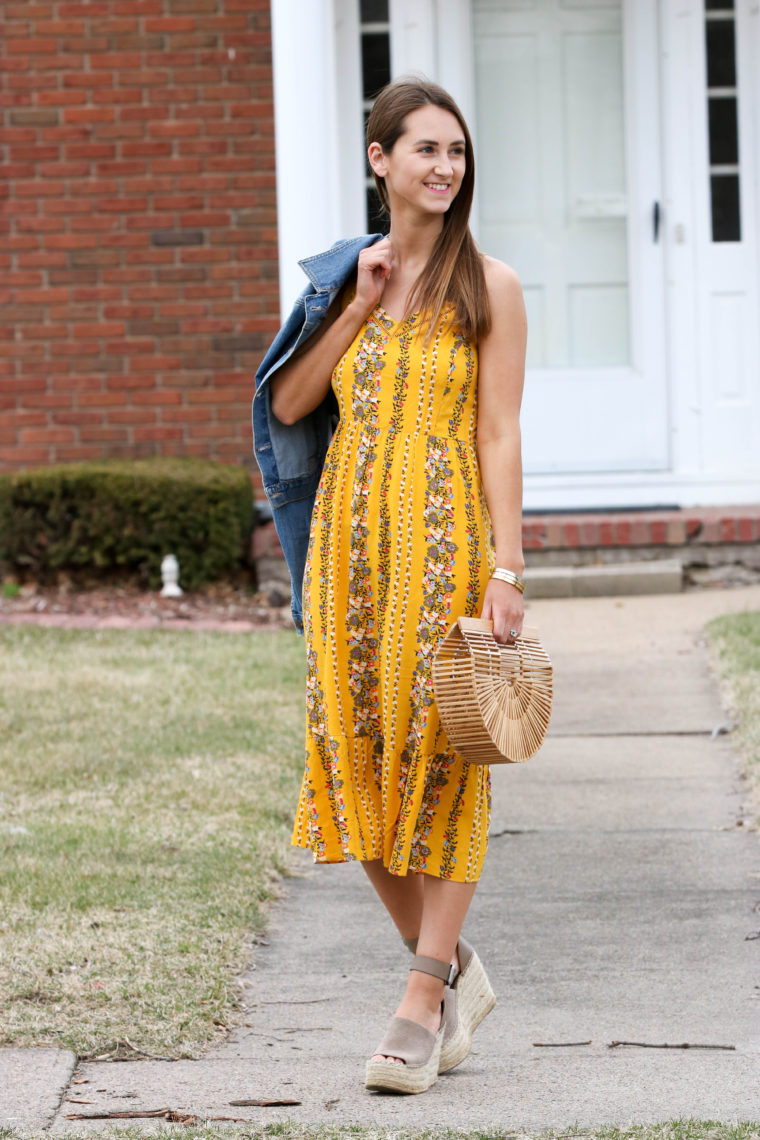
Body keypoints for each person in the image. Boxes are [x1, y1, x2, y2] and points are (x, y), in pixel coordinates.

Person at [253, 77, 527, 1095]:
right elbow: (287, 403)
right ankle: (452, 968)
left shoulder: (488, 285)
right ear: (380, 161)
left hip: (445, 543)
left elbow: (497, 431)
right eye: (425, 150)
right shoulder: (345, 279)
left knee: (441, 758)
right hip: (346, 552)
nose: (445, 168)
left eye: (455, 152)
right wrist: (358, 305)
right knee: (349, 752)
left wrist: (507, 567)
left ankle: (420, 997)